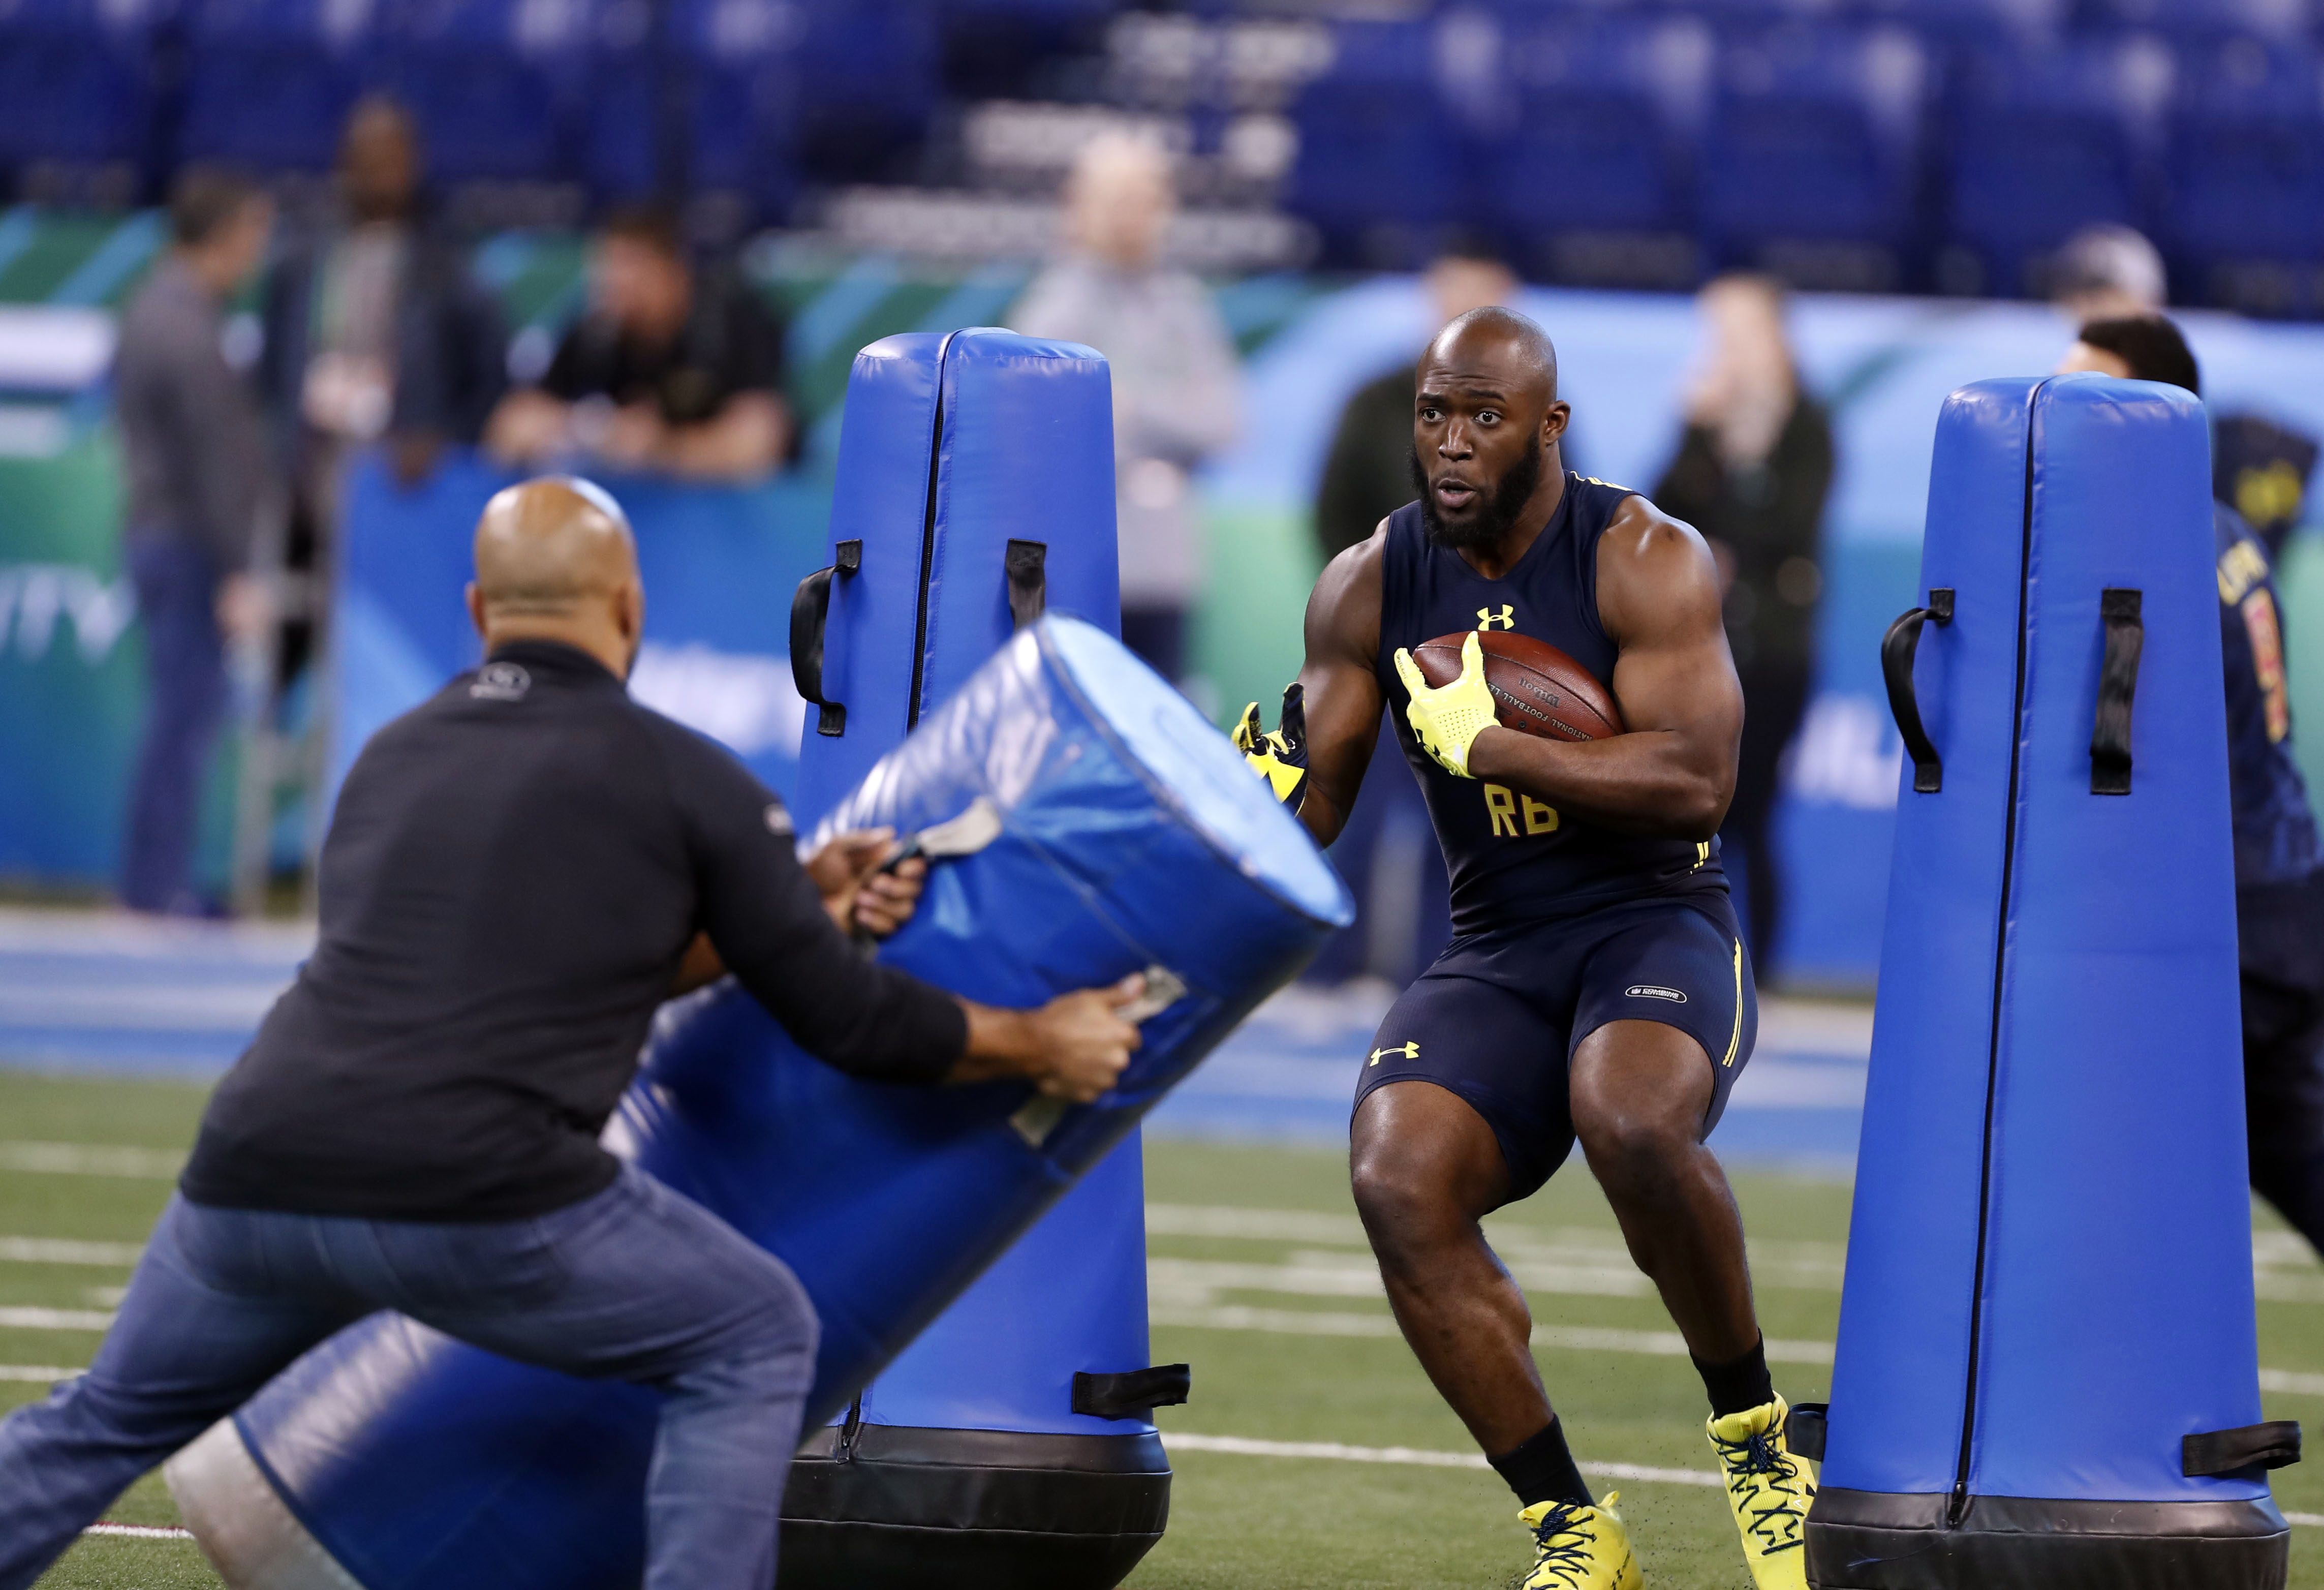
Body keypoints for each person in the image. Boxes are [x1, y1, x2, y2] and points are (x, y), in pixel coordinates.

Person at [0, 478, 1145, 1590]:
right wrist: (1038, 1040)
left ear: (475, 611)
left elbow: (544, 951)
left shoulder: (388, 758)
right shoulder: (687, 780)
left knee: (98, 1420)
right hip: (477, 1198)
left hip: (252, 1180)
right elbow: (845, 1018)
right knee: (754, 1333)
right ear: (632, 609)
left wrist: (786, 901)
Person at [1235, 308, 1810, 1589]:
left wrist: (1492, 744)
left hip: (1652, 916)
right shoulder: (1369, 578)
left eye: (1481, 417)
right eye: (1434, 414)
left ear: (1547, 425)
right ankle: (1573, 1529)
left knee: (1632, 1117)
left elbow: (1697, 780)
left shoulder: (1644, 555)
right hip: (1494, 937)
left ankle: (1760, 1445)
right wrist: (1253, 797)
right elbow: (1315, 801)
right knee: (1396, 1173)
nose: (1448, 443)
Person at [2056, 316, 2324, 1259]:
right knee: (2288, 1150)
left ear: (2154, 418)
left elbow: (2121, 757)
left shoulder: (2153, 555)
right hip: (2276, 887)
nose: (2060, 419)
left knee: (2111, 1152)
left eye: (2090, 398)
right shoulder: (2221, 529)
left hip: (2230, 915)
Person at [1302, 237, 1516, 983]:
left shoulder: (1528, 417)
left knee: (1460, 822)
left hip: (1478, 656)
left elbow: (1555, 522)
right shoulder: (1373, 400)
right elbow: (1331, 514)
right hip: (1378, 645)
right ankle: (1326, 970)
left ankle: (1443, 974)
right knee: (1348, 805)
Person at [1010, 133, 1243, 685]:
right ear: (1078, 205)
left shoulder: (1184, 305)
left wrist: (1134, 410)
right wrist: (1162, 429)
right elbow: (1051, 438)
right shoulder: (1050, 313)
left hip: (1165, 573)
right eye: (1115, 198)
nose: (1130, 216)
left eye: (1144, 198)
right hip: (1077, 571)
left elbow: (1225, 420)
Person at [1651, 274, 1833, 972]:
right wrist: (1697, 428)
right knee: (1688, 818)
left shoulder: (1805, 426)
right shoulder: (1707, 430)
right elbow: (1660, 510)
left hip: (1774, 652)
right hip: (1702, 647)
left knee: (1749, 813)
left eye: (1741, 332)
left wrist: (1726, 545)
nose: (1727, 349)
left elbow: (1791, 523)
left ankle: (1760, 971)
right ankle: (1682, 963)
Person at [111, 168, 277, 916]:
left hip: (161, 530)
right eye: (252, 236)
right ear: (227, 235)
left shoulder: (154, 308)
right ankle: (155, 886)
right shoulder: (186, 326)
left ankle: (158, 877)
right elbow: (214, 454)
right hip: (185, 540)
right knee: (183, 716)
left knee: (179, 713)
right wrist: (240, 569)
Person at [487, 208, 791, 482]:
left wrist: (662, 447)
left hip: (736, 515)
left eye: (633, 268)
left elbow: (759, 446)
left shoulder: (729, 324)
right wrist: (587, 430)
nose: (617, 285)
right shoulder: (597, 330)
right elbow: (512, 428)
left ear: (674, 273)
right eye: (609, 269)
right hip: (635, 508)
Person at [1315, 237, 1521, 566]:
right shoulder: (1376, 402)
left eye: (1483, 291)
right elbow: (1337, 511)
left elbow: (1560, 515)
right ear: (1432, 293)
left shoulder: (1532, 406)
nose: (1467, 306)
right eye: (1456, 288)